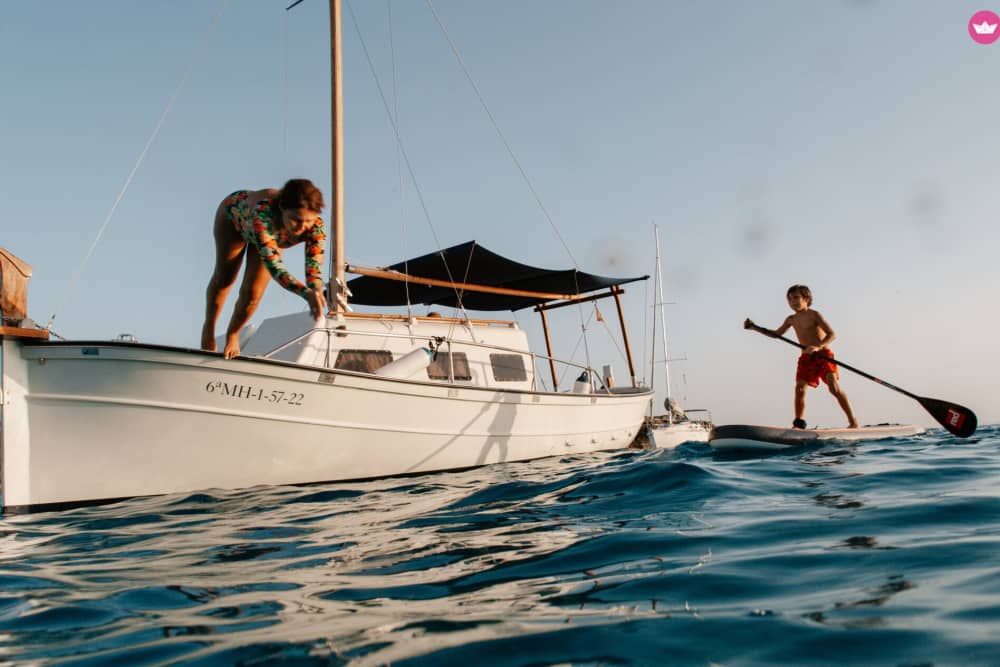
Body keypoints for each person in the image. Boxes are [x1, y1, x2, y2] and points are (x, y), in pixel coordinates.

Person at [201, 179, 327, 359]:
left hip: (269, 239)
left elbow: (313, 269)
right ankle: (209, 328)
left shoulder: (316, 228)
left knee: (253, 294)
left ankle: (233, 333)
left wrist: (315, 291)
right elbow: (275, 268)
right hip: (235, 218)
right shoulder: (263, 216)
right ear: (282, 208)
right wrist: (305, 294)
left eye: (308, 221)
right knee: (225, 278)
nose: (301, 228)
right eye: (295, 220)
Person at [744, 284, 858, 429]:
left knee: (833, 387)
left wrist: (818, 346)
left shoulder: (815, 315)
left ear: (806, 299)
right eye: (790, 299)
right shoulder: (791, 319)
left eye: (796, 298)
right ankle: (798, 424)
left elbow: (832, 334)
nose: (793, 302)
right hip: (806, 358)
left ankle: (853, 421)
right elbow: (776, 334)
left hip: (823, 355)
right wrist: (755, 328)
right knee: (800, 389)